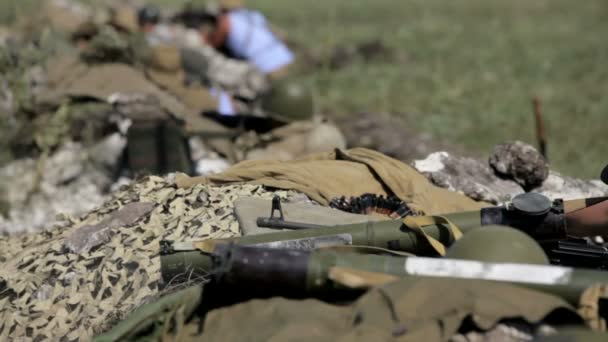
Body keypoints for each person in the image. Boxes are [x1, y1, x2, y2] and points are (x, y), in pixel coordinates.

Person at [204, 0, 294, 79]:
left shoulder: (226, 21)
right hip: (287, 57)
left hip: (269, 67)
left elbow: (213, 43)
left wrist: (202, 36)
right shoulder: (254, 15)